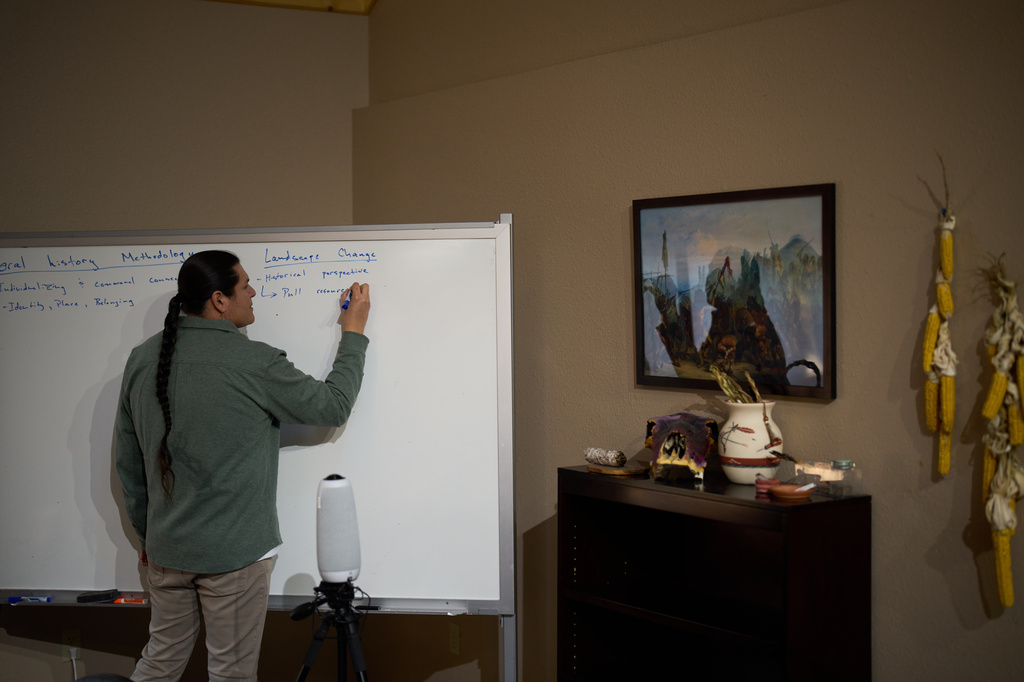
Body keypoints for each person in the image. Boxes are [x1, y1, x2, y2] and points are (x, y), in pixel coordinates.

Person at [114, 250, 370, 682]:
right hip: (235, 558)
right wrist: (354, 332)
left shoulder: (142, 358)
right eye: (245, 285)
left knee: (158, 665)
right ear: (219, 299)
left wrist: (148, 535)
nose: (253, 292)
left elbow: (128, 461)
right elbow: (333, 406)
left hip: (166, 552)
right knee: (231, 675)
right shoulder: (254, 362)